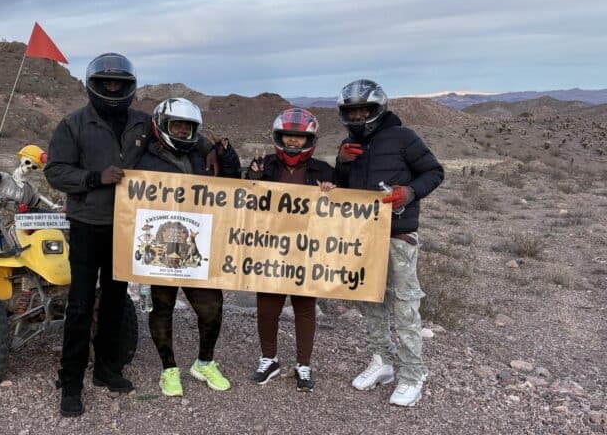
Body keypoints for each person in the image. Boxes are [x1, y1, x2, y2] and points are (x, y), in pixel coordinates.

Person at [45, 55, 220, 417]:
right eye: (106, 83)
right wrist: (95, 177)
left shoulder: (143, 122)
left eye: (119, 84)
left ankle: (107, 370)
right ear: (93, 85)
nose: (112, 89)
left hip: (130, 227)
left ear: (129, 86)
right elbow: (56, 171)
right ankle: (71, 381)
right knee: (79, 305)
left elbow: (183, 138)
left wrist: (216, 150)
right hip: (87, 224)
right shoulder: (73, 124)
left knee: (113, 300)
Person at [333, 79, 443, 407]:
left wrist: (408, 193)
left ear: (378, 108)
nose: (357, 116)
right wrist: (342, 162)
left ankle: (412, 373)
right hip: (363, 234)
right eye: (351, 111)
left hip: (398, 233)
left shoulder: (403, 137)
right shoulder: (349, 143)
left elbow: (434, 172)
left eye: (362, 109)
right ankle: (382, 361)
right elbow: (342, 188)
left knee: (405, 304)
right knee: (370, 300)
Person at [136, 97, 231, 397]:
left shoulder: (204, 153)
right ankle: (169, 369)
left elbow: (230, 187)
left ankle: (204, 362)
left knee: (211, 307)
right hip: (161, 246)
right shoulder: (142, 156)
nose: (181, 131)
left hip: (196, 245)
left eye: (187, 127)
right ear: (162, 125)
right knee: (162, 307)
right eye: (176, 125)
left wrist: (227, 157)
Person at [246, 108, 334, 392]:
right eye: (289, 136)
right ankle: (268, 358)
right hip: (270, 246)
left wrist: (332, 192)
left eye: (299, 137)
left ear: (309, 139)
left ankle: (303, 363)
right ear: (279, 136)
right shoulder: (266, 165)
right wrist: (252, 176)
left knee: (305, 308)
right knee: (267, 307)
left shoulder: (323, 171)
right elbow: (243, 198)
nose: (293, 142)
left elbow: (342, 210)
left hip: (307, 248)